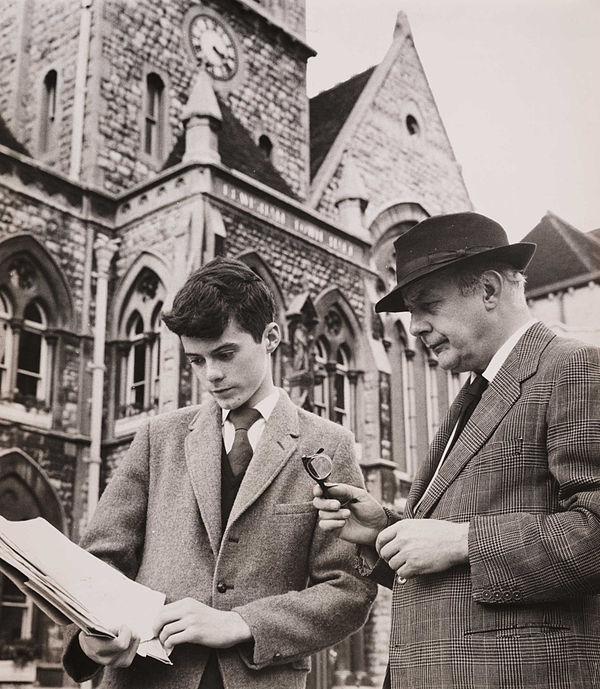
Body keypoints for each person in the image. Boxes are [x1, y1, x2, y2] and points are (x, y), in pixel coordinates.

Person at [313, 212, 600, 689]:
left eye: (428, 305)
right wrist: (383, 531)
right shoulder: (476, 391)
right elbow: (448, 570)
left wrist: (463, 541)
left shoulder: (575, 367)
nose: (416, 327)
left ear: (488, 289)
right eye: (410, 312)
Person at [62, 257, 376, 689]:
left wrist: (242, 623)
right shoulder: (158, 437)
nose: (212, 374)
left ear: (270, 337)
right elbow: (98, 564)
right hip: (145, 679)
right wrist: (90, 636)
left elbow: (348, 591)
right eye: (196, 360)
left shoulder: (328, 444)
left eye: (225, 353)